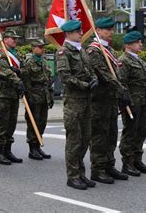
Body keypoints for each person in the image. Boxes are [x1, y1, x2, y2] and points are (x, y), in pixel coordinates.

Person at [56, 20, 98, 190]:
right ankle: (72, 176)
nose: (81, 33)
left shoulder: (81, 51)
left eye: (80, 31)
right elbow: (65, 77)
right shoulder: (63, 52)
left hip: (86, 100)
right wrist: (84, 85)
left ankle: (81, 173)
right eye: (77, 31)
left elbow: (89, 69)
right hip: (73, 101)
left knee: (85, 139)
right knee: (74, 140)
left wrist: (93, 78)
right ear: (68, 34)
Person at [86, 17, 129, 183]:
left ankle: (109, 165)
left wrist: (121, 93)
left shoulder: (109, 50)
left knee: (111, 134)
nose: (111, 32)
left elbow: (116, 74)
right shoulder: (93, 51)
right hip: (99, 100)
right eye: (107, 29)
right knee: (99, 135)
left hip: (110, 100)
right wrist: (121, 89)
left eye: (112, 29)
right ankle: (97, 168)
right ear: (98, 30)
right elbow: (104, 74)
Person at [119, 31, 146, 176]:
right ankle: (127, 163)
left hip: (144, 102)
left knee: (141, 133)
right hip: (132, 104)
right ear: (128, 45)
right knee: (130, 133)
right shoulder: (124, 60)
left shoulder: (139, 61)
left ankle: (137, 160)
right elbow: (122, 83)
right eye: (137, 42)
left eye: (140, 42)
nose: (140, 44)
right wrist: (126, 102)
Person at [0, 28, 24, 165]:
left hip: (14, 94)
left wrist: (19, 71)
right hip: (3, 95)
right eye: (13, 38)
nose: (15, 40)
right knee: (3, 125)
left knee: (11, 124)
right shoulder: (0, 54)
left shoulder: (16, 53)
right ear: (5, 40)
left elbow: (23, 69)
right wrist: (17, 80)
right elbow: (3, 71)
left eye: (16, 38)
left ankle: (8, 151)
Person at [21, 39, 54, 160]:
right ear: (33, 48)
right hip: (34, 96)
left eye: (43, 47)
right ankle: (32, 149)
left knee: (42, 123)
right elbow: (26, 82)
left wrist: (50, 96)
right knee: (33, 123)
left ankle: (38, 145)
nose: (42, 49)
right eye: (40, 47)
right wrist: (28, 98)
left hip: (44, 96)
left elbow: (48, 80)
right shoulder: (29, 62)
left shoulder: (44, 62)